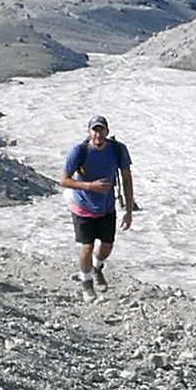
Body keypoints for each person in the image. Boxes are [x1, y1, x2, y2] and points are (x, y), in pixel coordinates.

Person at [60, 116, 138, 291]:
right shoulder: (79, 151)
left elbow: (127, 177)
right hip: (82, 206)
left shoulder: (118, 150)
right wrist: (89, 186)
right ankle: (86, 283)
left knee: (107, 247)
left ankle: (96, 267)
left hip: (106, 207)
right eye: (95, 130)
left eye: (101, 130)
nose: (98, 134)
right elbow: (64, 181)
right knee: (87, 246)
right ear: (89, 133)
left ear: (107, 132)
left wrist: (129, 211)